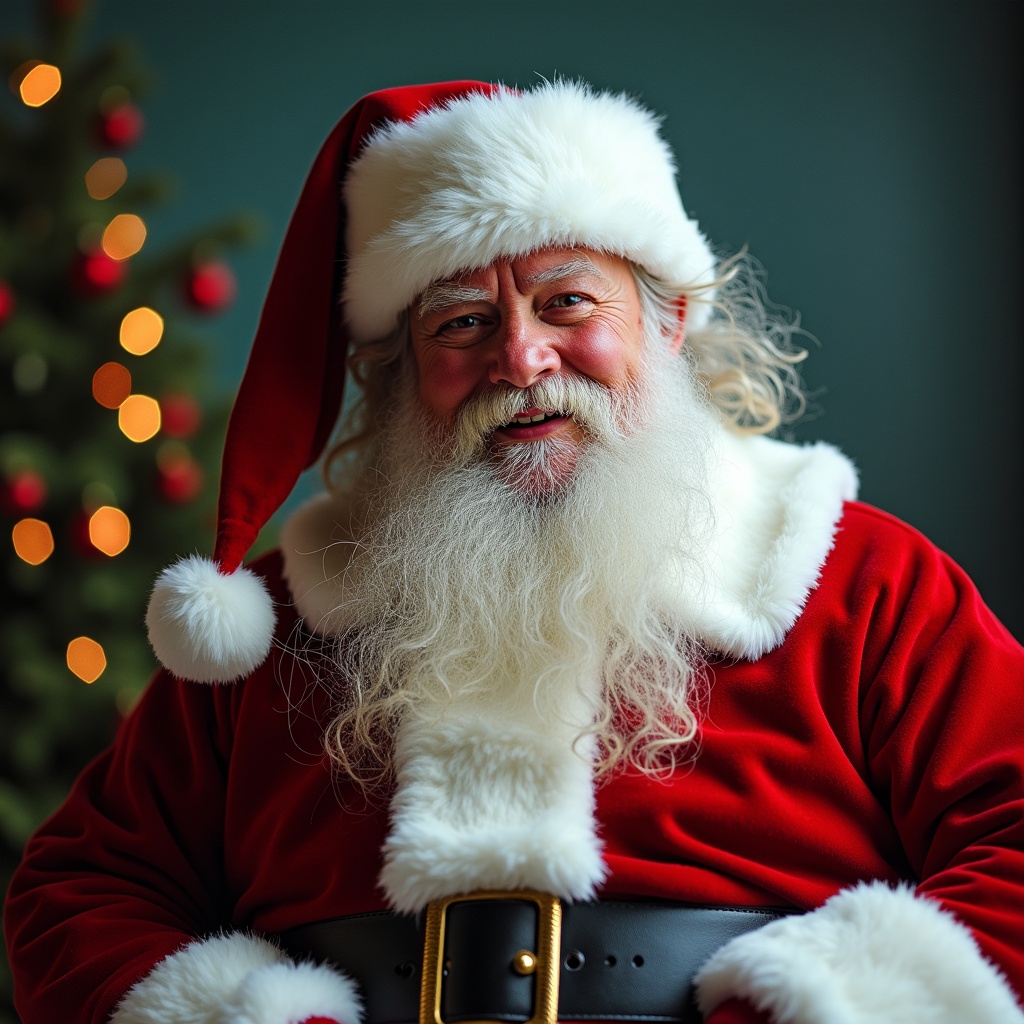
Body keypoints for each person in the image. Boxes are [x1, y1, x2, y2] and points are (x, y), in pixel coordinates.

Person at [5, 80, 1023, 1024]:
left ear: (666, 319)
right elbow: (80, 892)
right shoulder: (280, 623)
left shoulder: (859, 580)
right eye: (462, 322)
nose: (520, 359)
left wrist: (827, 1006)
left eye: (568, 302)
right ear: (402, 374)